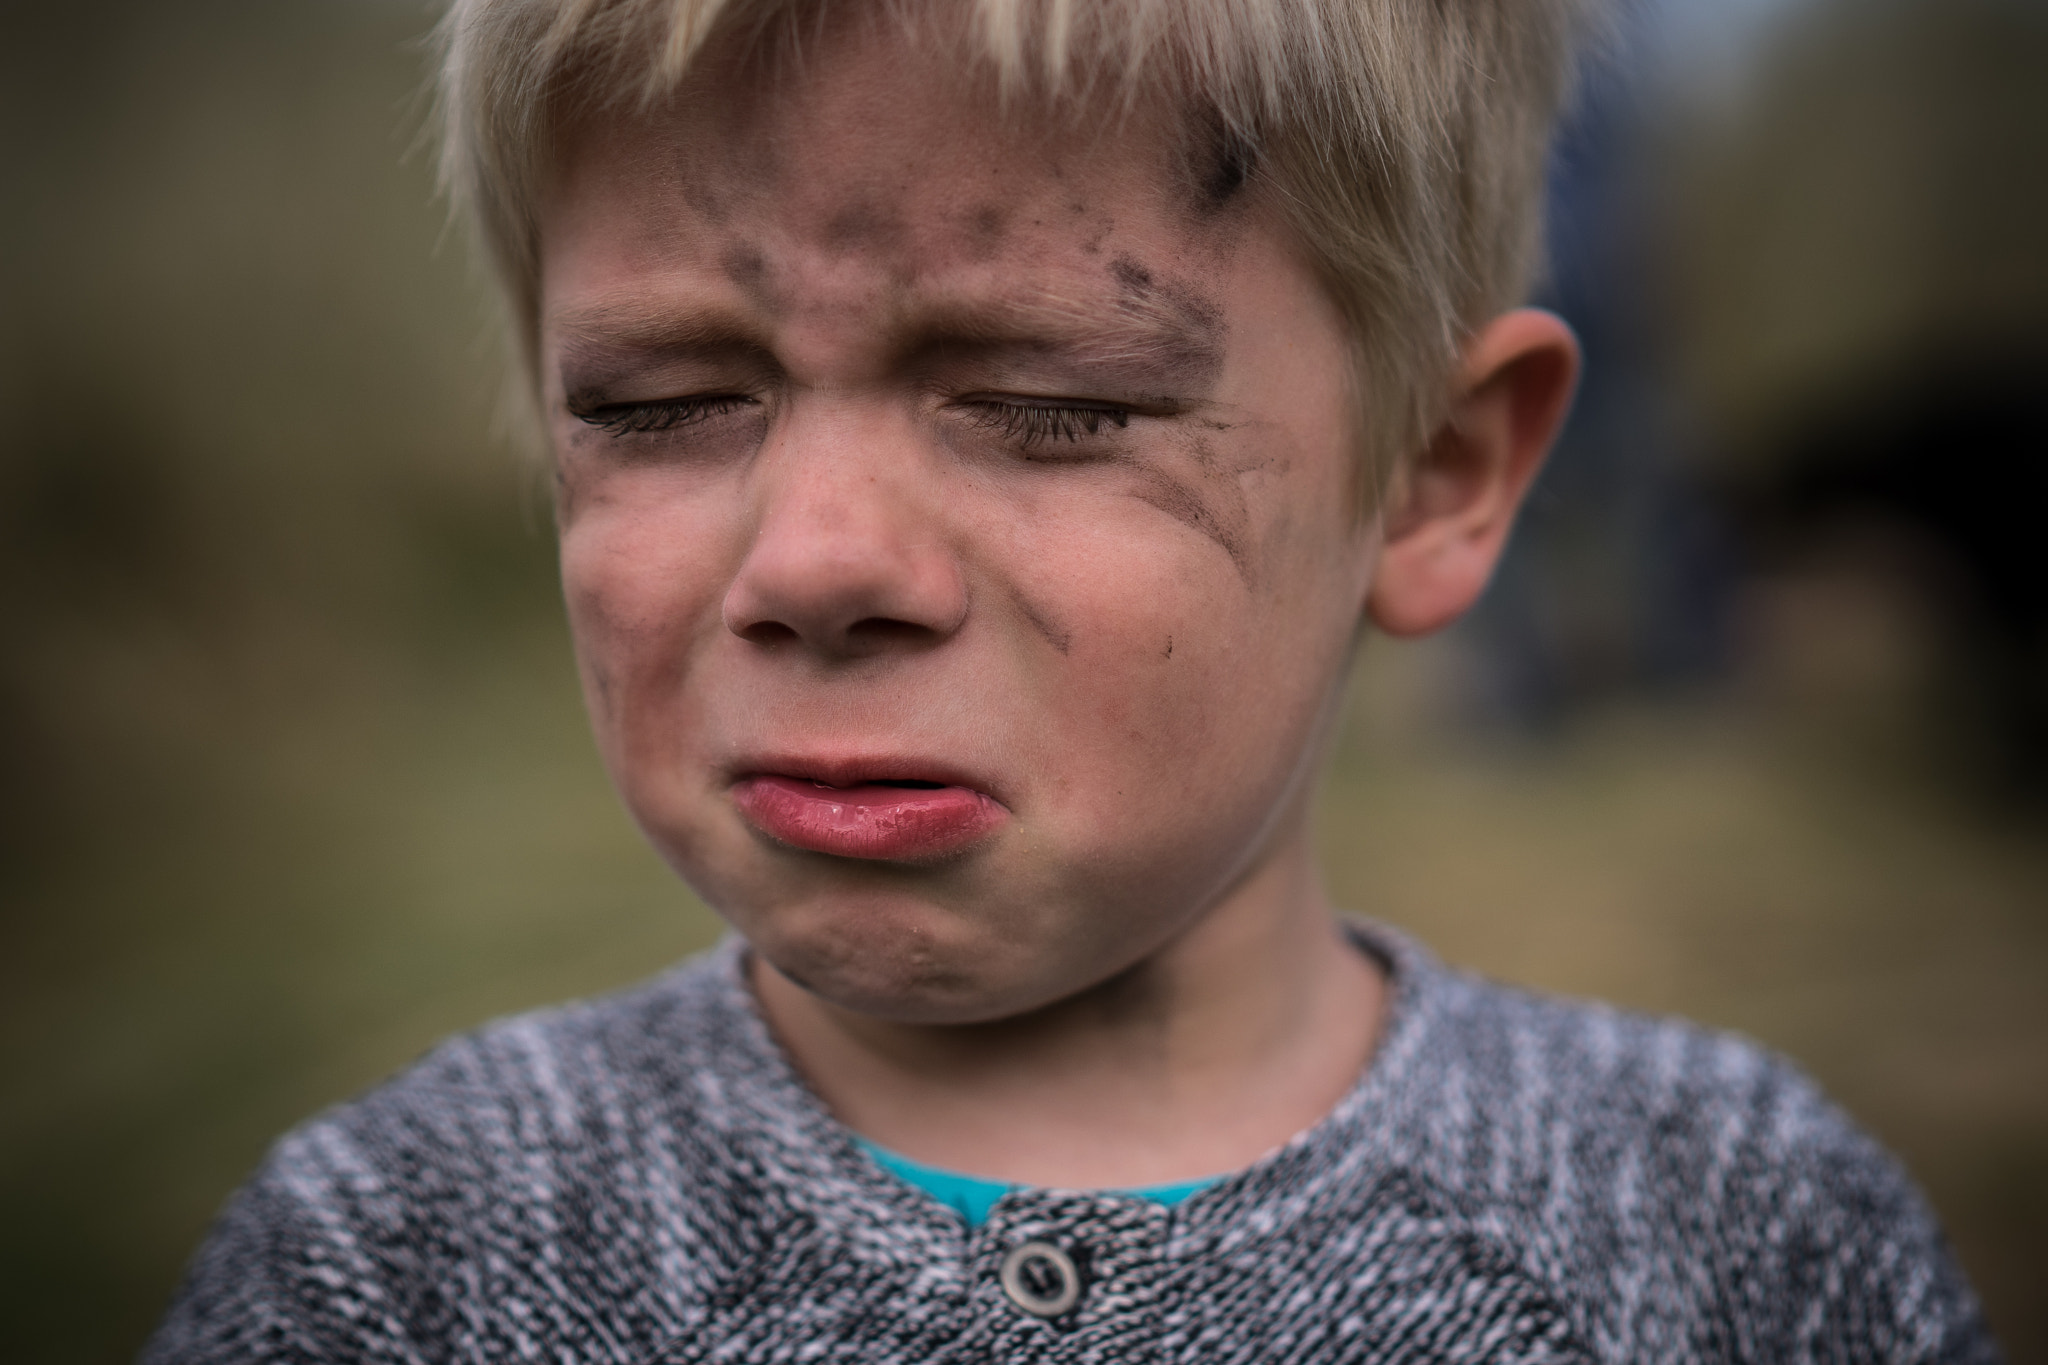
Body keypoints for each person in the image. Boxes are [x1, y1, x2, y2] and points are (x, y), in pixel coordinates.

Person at [143, 0, 1998, 1359]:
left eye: (1051, 406)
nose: (815, 563)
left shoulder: (1743, 1235)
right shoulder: (391, 1266)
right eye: (660, 406)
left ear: (1434, 479)